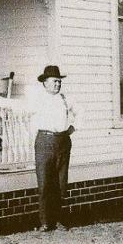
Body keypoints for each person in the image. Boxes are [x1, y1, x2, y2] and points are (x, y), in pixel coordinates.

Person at [30, 65, 77, 232]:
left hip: (63, 142)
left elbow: (81, 113)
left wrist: (72, 127)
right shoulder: (38, 99)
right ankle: (45, 222)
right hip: (45, 142)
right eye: (54, 81)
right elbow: (19, 107)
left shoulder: (65, 99)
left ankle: (57, 219)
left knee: (60, 184)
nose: (58, 84)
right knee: (44, 184)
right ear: (45, 83)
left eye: (59, 81)